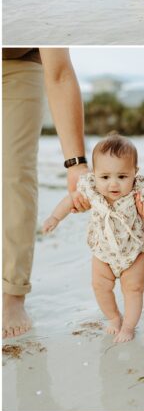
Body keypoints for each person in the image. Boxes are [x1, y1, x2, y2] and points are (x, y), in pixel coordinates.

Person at [43, 134, 144, 342]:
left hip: (135, 250)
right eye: (105, 177)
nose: (113, 184)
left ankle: (129, 327)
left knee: (133, 289)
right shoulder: (91, 189)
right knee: (100, 286)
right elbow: (70, 200)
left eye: (122, 177)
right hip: (103, 251)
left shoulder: (139, 192)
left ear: (134, 173)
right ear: (94, 174)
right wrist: (55, 217)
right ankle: (114, 317)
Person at [3, 47, 89, 339]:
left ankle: (12, 292)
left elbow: (60, 73)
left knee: (15, 173)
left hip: (16, 62)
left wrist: (76, 164)